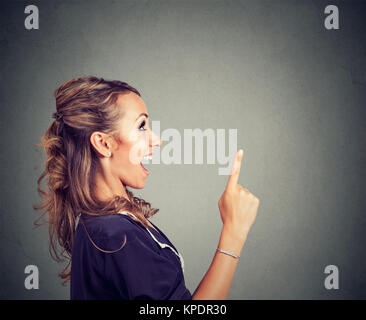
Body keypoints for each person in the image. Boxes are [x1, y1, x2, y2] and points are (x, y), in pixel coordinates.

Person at [34, 76, 260, 300]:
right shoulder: (118, 237)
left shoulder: (97, 223)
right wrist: (234, 232)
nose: (157, 140)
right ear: (104, 143)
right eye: (141, 126)